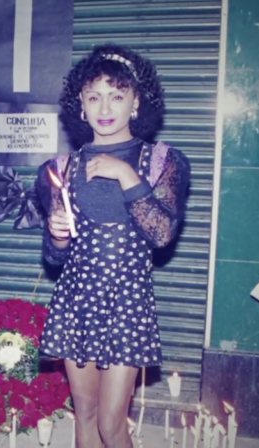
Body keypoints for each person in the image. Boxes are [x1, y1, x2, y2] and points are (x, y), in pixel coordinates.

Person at [38, 44, 190, 448]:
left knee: (111, 424)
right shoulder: (60, 169)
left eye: (117, 95)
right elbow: (54, 258)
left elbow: (161, 235)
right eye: (94, 96)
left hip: (127, 303)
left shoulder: (161, 161)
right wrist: (56, 236)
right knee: (84, 415)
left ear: (136, 102)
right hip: (76, 301)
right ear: (82, 106)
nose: (105, 107)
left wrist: (125, 173)